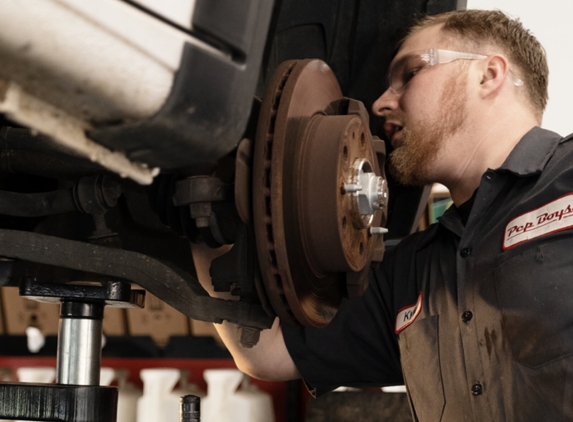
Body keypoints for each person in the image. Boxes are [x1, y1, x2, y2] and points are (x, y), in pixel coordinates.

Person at [193, 9, 573, 421]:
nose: (380, 103)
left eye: (409, 73)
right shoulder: (410, 269)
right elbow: (266, 351)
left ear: (488, 75)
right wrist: (201, 203)